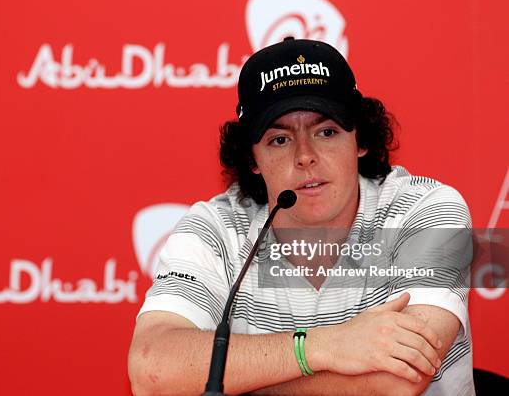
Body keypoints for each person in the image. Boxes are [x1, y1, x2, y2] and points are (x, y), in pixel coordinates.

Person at [128, 37, 474, 395]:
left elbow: (398, 380)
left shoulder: (426, 208)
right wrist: (322, 347)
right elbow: (151, 369)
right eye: (280, 139)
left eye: (326, 132)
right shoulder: (216, 228)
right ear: (252, 159)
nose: (305, 156)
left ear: (361, 141)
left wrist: (231, 381)